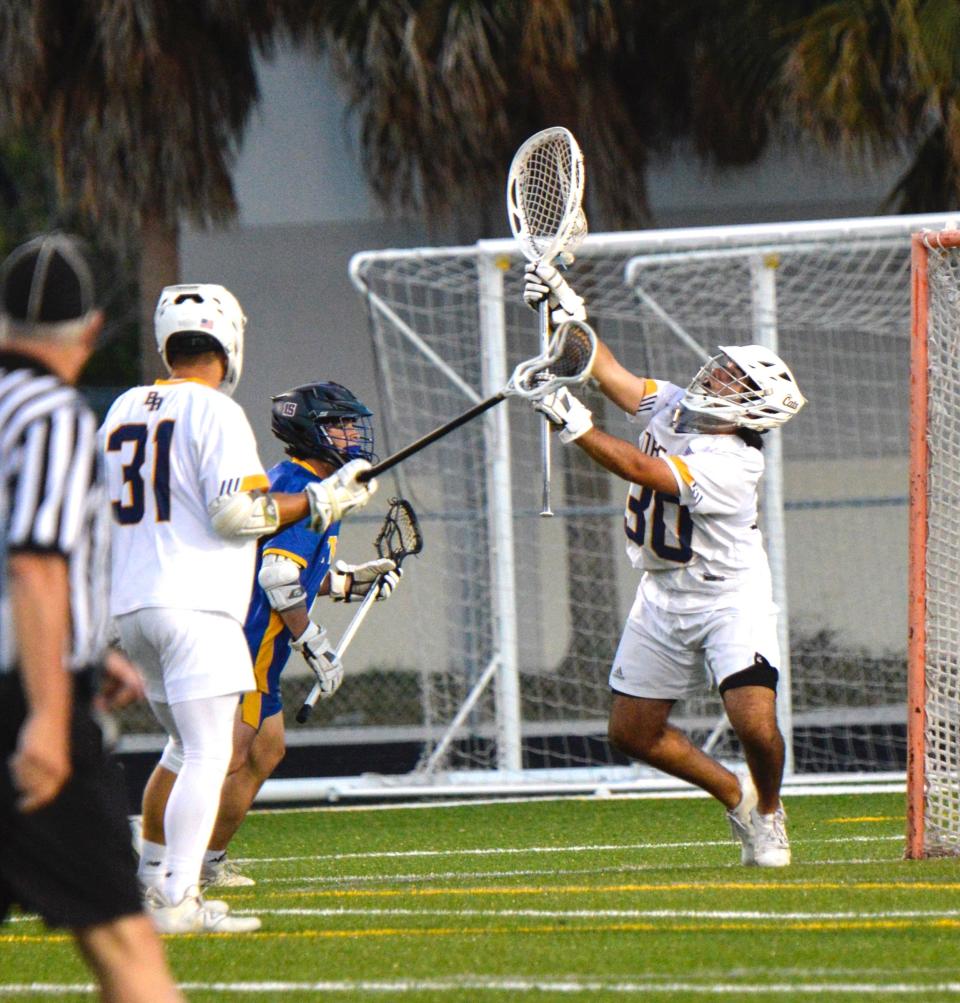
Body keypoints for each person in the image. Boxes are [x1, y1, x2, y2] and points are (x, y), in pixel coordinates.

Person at [101, 285, 377, 932]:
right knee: (208, 751)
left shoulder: (120, 408)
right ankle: (177, 899)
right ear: (230, 341)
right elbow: (239, 513)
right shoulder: (216, 412)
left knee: (179, 747)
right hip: (197, 603)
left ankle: (152, 880)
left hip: (133, 604)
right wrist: (322, 501)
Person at [523, 261, 807, 867]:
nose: (716, 375)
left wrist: (574, 425)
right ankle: (735, 794)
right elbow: (609, 373)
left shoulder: (736, 464)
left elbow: (642, 470)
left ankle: (769, 811)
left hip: (728, 596)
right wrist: (563, 306)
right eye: (724, 367)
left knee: (753, 722)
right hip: (661, 593)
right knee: (631, 733)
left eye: (733, 379)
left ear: (751, 409)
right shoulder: (676, 406)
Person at [0, 232, 183, 1001]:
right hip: (20, 702)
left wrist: (84, 648)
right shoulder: (53, 416)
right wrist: (49, 708)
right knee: (125, 947)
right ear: (93, 330)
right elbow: (36, 563)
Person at [135, 381, 401, 890]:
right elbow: (277, 578)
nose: (351, 435)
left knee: (264, 752)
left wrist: (347, 581)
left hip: (259, 646)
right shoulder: (304, 485)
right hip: (249, 646)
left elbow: (288, 569)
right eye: (340, 426)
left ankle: (207, 861)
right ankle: (157, 862)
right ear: (310, 432)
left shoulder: (297, 482)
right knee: (217, 755)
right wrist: (315, 643)